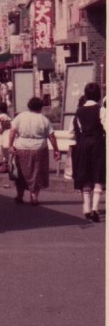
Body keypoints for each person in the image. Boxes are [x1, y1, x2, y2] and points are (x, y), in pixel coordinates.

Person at [9, 96, 60, 205]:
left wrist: (10, 146)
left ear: (29, 106)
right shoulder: (43, 119)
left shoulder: (21, 116)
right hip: (39, 149)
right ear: (41, 108)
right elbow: (52, 136)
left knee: (21, 173)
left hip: (21, 147)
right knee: (37, 173)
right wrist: (56, 150)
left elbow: (12, 131)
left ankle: (19, 195)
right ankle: (34, 197)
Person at [71, 82, 106, 222]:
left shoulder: (78, 111)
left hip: (82, 145)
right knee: (98, 175)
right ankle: (95, 209)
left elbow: (72, 130)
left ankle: (86, 207)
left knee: (85, 175)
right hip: (97, 145)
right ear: (98, 95)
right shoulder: (101, 110)